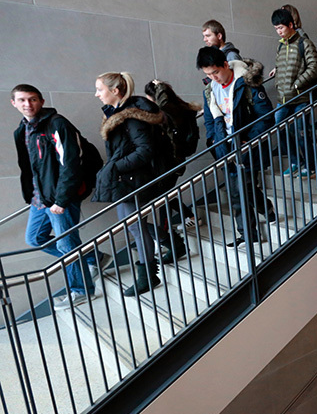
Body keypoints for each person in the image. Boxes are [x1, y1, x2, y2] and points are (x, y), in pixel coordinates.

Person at [12, 84, 104, 310]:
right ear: (13, 103)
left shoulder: (57, 124)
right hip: (39, 198)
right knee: (35, 238)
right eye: (22, 100)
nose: (28, 104)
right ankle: (93, 257)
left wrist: (61, 200)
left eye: (32, 99)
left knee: (66, 244)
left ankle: (81, 289)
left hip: (60, 198)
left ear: (41, 101)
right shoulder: (21, 131)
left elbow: (70, 164)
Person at [93, 72, 169, 297]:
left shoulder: (132, 116)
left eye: (100, 89)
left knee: (135, 226)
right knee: (133, 224)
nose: (96, 94)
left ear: (115, 91)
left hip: (133, 180)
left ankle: (148, 275)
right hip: (127, 179)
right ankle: (172, 242)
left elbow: (144, 151)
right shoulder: (118, 114)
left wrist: (116, 167)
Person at [197, 47, 276, 248]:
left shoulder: (248, 83)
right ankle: (248, 233)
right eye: (208, 75)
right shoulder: (210, 92)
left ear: (225, 64)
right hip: (226, 148)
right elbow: (209, 122)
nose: (213, 78)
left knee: (245, 188)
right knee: (235, 192)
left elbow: (266, 116)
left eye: (215, 72)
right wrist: (215, 144)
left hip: (247, 146)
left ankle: (264, 212)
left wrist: (247, 139)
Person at [143, 79, 201, 263]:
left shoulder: (170, 112)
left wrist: (159, 90)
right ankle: (186, 217)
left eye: (150, 98)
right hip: (172, 162)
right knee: (164, 196)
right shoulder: (180, 109)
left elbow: (165, 109)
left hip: (171, 162)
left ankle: (169, 239)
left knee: (162, 200)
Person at [269, 8, 317, 177]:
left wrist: (298, 84)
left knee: (301, 133)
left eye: (281, 28)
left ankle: (310, 167)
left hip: (300, 97)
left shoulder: (303, 43)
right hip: (283, 98)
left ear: (290, 25)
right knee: (281, 129)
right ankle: (295, 162)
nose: (279, 31)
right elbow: (284, 66)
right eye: (276, 28)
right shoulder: (281, 46)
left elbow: (315, 66)